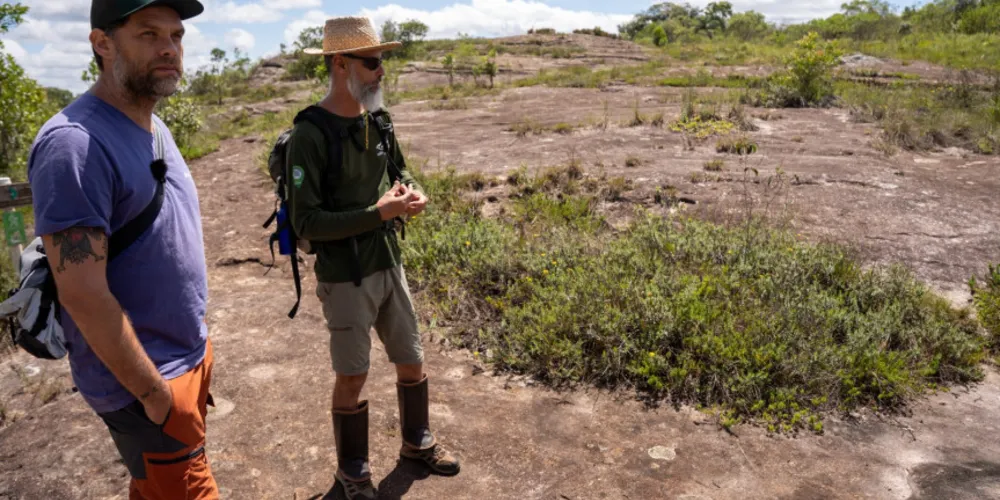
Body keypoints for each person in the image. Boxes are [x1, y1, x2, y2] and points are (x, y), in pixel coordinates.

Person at [26, 0, 218, 498]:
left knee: (153, 488)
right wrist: (156, 396)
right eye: (149, 34)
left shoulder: (154, 125)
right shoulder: (73, 145)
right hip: (145, 381)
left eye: (176, 36)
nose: (169, 49)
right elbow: (83, 294)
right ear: (102, 43)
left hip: (185, 356)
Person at [286, 16, 460, 499]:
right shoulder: (309, 135)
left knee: (412, 359)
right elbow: (307, 223)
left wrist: (413, 194)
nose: (381, 71)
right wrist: (378, 213)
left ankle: (417, 445)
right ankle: (354, 474)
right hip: (344, 275)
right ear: (341, 64)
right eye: (372, 62)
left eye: (383, 61)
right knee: (353, 374)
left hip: (388, 261)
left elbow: (401, 172)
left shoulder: (378, 121)